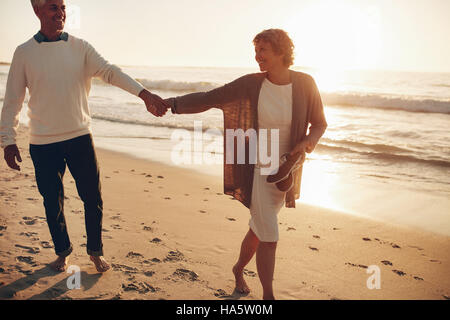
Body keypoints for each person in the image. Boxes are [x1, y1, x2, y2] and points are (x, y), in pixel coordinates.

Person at [0, 0, 168, 273]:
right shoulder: (24, 53)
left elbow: (111, 72)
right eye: (53, 7)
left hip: (79, 137)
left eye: (63, 7)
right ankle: (62, 252)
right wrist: (7, 139)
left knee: (93, 197)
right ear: (38, 10)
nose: (61, 13)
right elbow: (13, 101)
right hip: (42, 142)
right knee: (52, 201)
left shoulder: (80, 47)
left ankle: (95, 251)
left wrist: (144, 94)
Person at [165, 29, 327, 300]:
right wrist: (172, 104)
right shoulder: (252, 84)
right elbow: (210, 97)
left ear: (281, 52)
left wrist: (307, 143)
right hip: (259, 165)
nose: (257, 56)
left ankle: (238, 269)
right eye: (256, 50)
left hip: (286, 168)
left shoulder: (306, 83)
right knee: (269, 235)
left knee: (259, 227)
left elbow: (320, 123)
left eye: (263, 50)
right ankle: (269, 297)